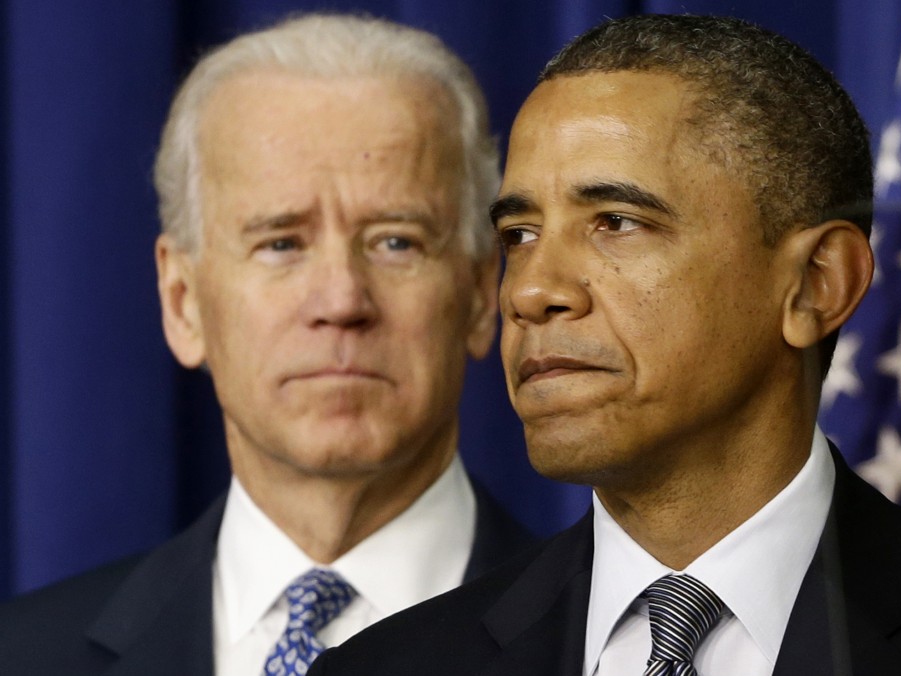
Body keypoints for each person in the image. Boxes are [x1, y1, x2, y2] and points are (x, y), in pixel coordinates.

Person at [308, 14, 901, 675]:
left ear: (817, 285)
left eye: (615, 222)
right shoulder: (388, 668)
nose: (534, 290)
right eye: (519, 234)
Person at [0, 13, 535, 675]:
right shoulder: (23, 656)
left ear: (483, 293)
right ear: (183, 301)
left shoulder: (609, 642)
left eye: (396, 241)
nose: (341, 301)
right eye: (281, 244)